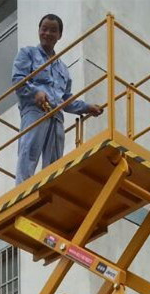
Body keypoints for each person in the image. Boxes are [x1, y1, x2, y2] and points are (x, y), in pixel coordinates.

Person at [12, 13, 103, 184]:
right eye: (44, 29)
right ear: (39, 31)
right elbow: (18, 80)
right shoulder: (28, 53)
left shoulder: (62, 68)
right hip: (35, 112)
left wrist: (86, 107)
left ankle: (50, 190)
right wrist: (35, 92)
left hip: (56, 117)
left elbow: (66, 99)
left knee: (54, 161)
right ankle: (22, 190)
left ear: (59, 35)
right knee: (29, 151)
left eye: (52, 30)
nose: (47, 33)